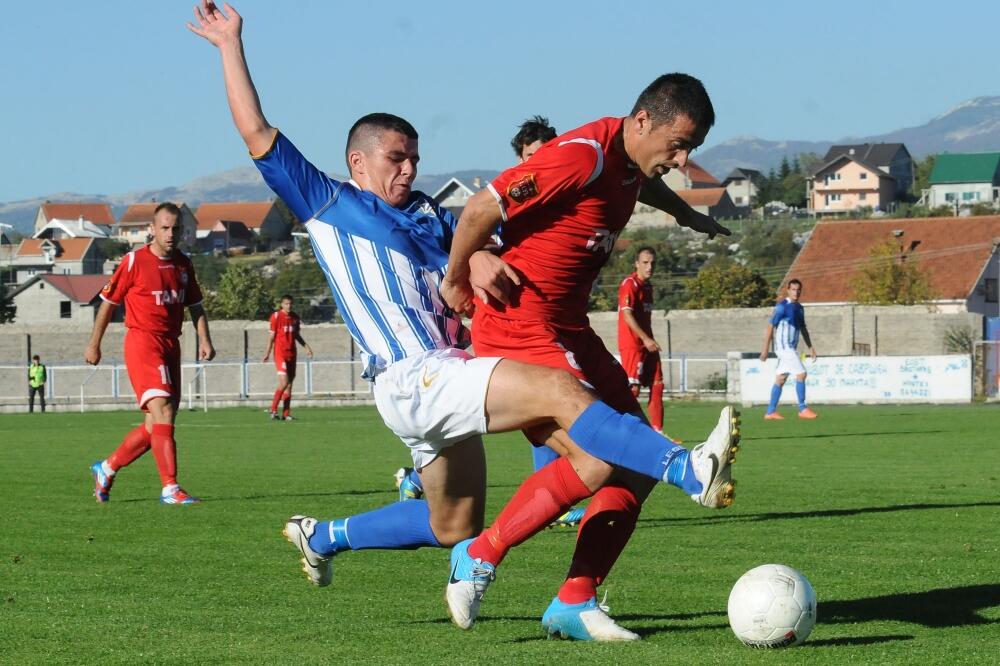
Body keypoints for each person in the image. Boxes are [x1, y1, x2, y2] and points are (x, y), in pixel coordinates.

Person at [188, 0, 738, 632]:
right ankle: (682, 467)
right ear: (358, 162)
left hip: (448, 378)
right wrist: (231, 43)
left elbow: (479, 236)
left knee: (458, 521)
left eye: (415, 157)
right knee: (566, 395)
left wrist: (472, 261)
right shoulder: (326, 202)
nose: (409, 168)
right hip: (411, 376)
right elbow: (257, 133)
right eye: (396, 157)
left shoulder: (429, 214)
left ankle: (325, 535)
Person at [440, 73, 734, 639]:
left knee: (633, 471)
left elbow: (638, 184)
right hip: (519, 324)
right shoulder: (579, 156)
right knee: (599, 459)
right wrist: (458, 276)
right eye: (677, 144)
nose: (681, 158)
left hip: (569, 328)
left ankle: (575, 600)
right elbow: (482, 207)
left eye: (691, 149)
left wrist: (684, 213)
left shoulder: (628, 162)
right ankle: (479, 554)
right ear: (642, 120)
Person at [394, 115, 574, 523]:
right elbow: (475, 239)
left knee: (534, 407)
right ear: (518, 160)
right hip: (497, 317)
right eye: (531, 156)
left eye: (547, 154)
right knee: (542, 403)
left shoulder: (563, 201)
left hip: (535, 316)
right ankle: (554, 499)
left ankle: (417, 479)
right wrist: (479, 258)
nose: (539, 162)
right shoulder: (509, 199)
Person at [85, 202, 216, 504]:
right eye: (165, 228)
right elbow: (108, 302)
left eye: (176, 229)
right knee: (164, 412)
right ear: (152, 230)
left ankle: (106, 468)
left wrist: (205, 339)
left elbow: (195, 305)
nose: (171, 234)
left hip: (171, 344)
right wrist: (94, 343)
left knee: (154, 426)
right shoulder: (134, 262)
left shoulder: (184, 264)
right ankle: (170, 487)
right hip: (143, 342)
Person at [618, 246, 666, 434]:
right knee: (633, 390)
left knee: (657, 384)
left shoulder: (648, 287)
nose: (649, 267)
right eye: (645, 263)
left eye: (652, 263)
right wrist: (646, 339)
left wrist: (649, 340)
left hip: (648, 343)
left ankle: (658, 432)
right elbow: (627, 316)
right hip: (633, 345)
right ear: (636, 264)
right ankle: (622, 431)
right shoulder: (629, 284)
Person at [760, 278, 817, 420]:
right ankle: (803, 409)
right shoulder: (782, 306)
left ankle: (770, 412)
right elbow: (770, 327)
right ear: (788, 290)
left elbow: (803, 329)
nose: (796, 292)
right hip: (784, 348)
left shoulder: (799, 308)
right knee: (801, 374)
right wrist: (765, 349)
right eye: (793, 289)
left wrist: (811, 347)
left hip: (790, 348)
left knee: (780, 379)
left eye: (798, 290)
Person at [263, 294, 313, 420]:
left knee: (289, 385)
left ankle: (286, 414)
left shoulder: (295, 318)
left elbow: (296, 335)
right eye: (286, 303)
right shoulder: (276, 317)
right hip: (280, 354)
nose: (288, 306)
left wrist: (306, 347)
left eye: (290, 303)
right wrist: (267, 353)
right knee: (284, 382)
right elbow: (271, 337)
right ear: (281, 304)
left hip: (292, 354)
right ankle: (273, 409)